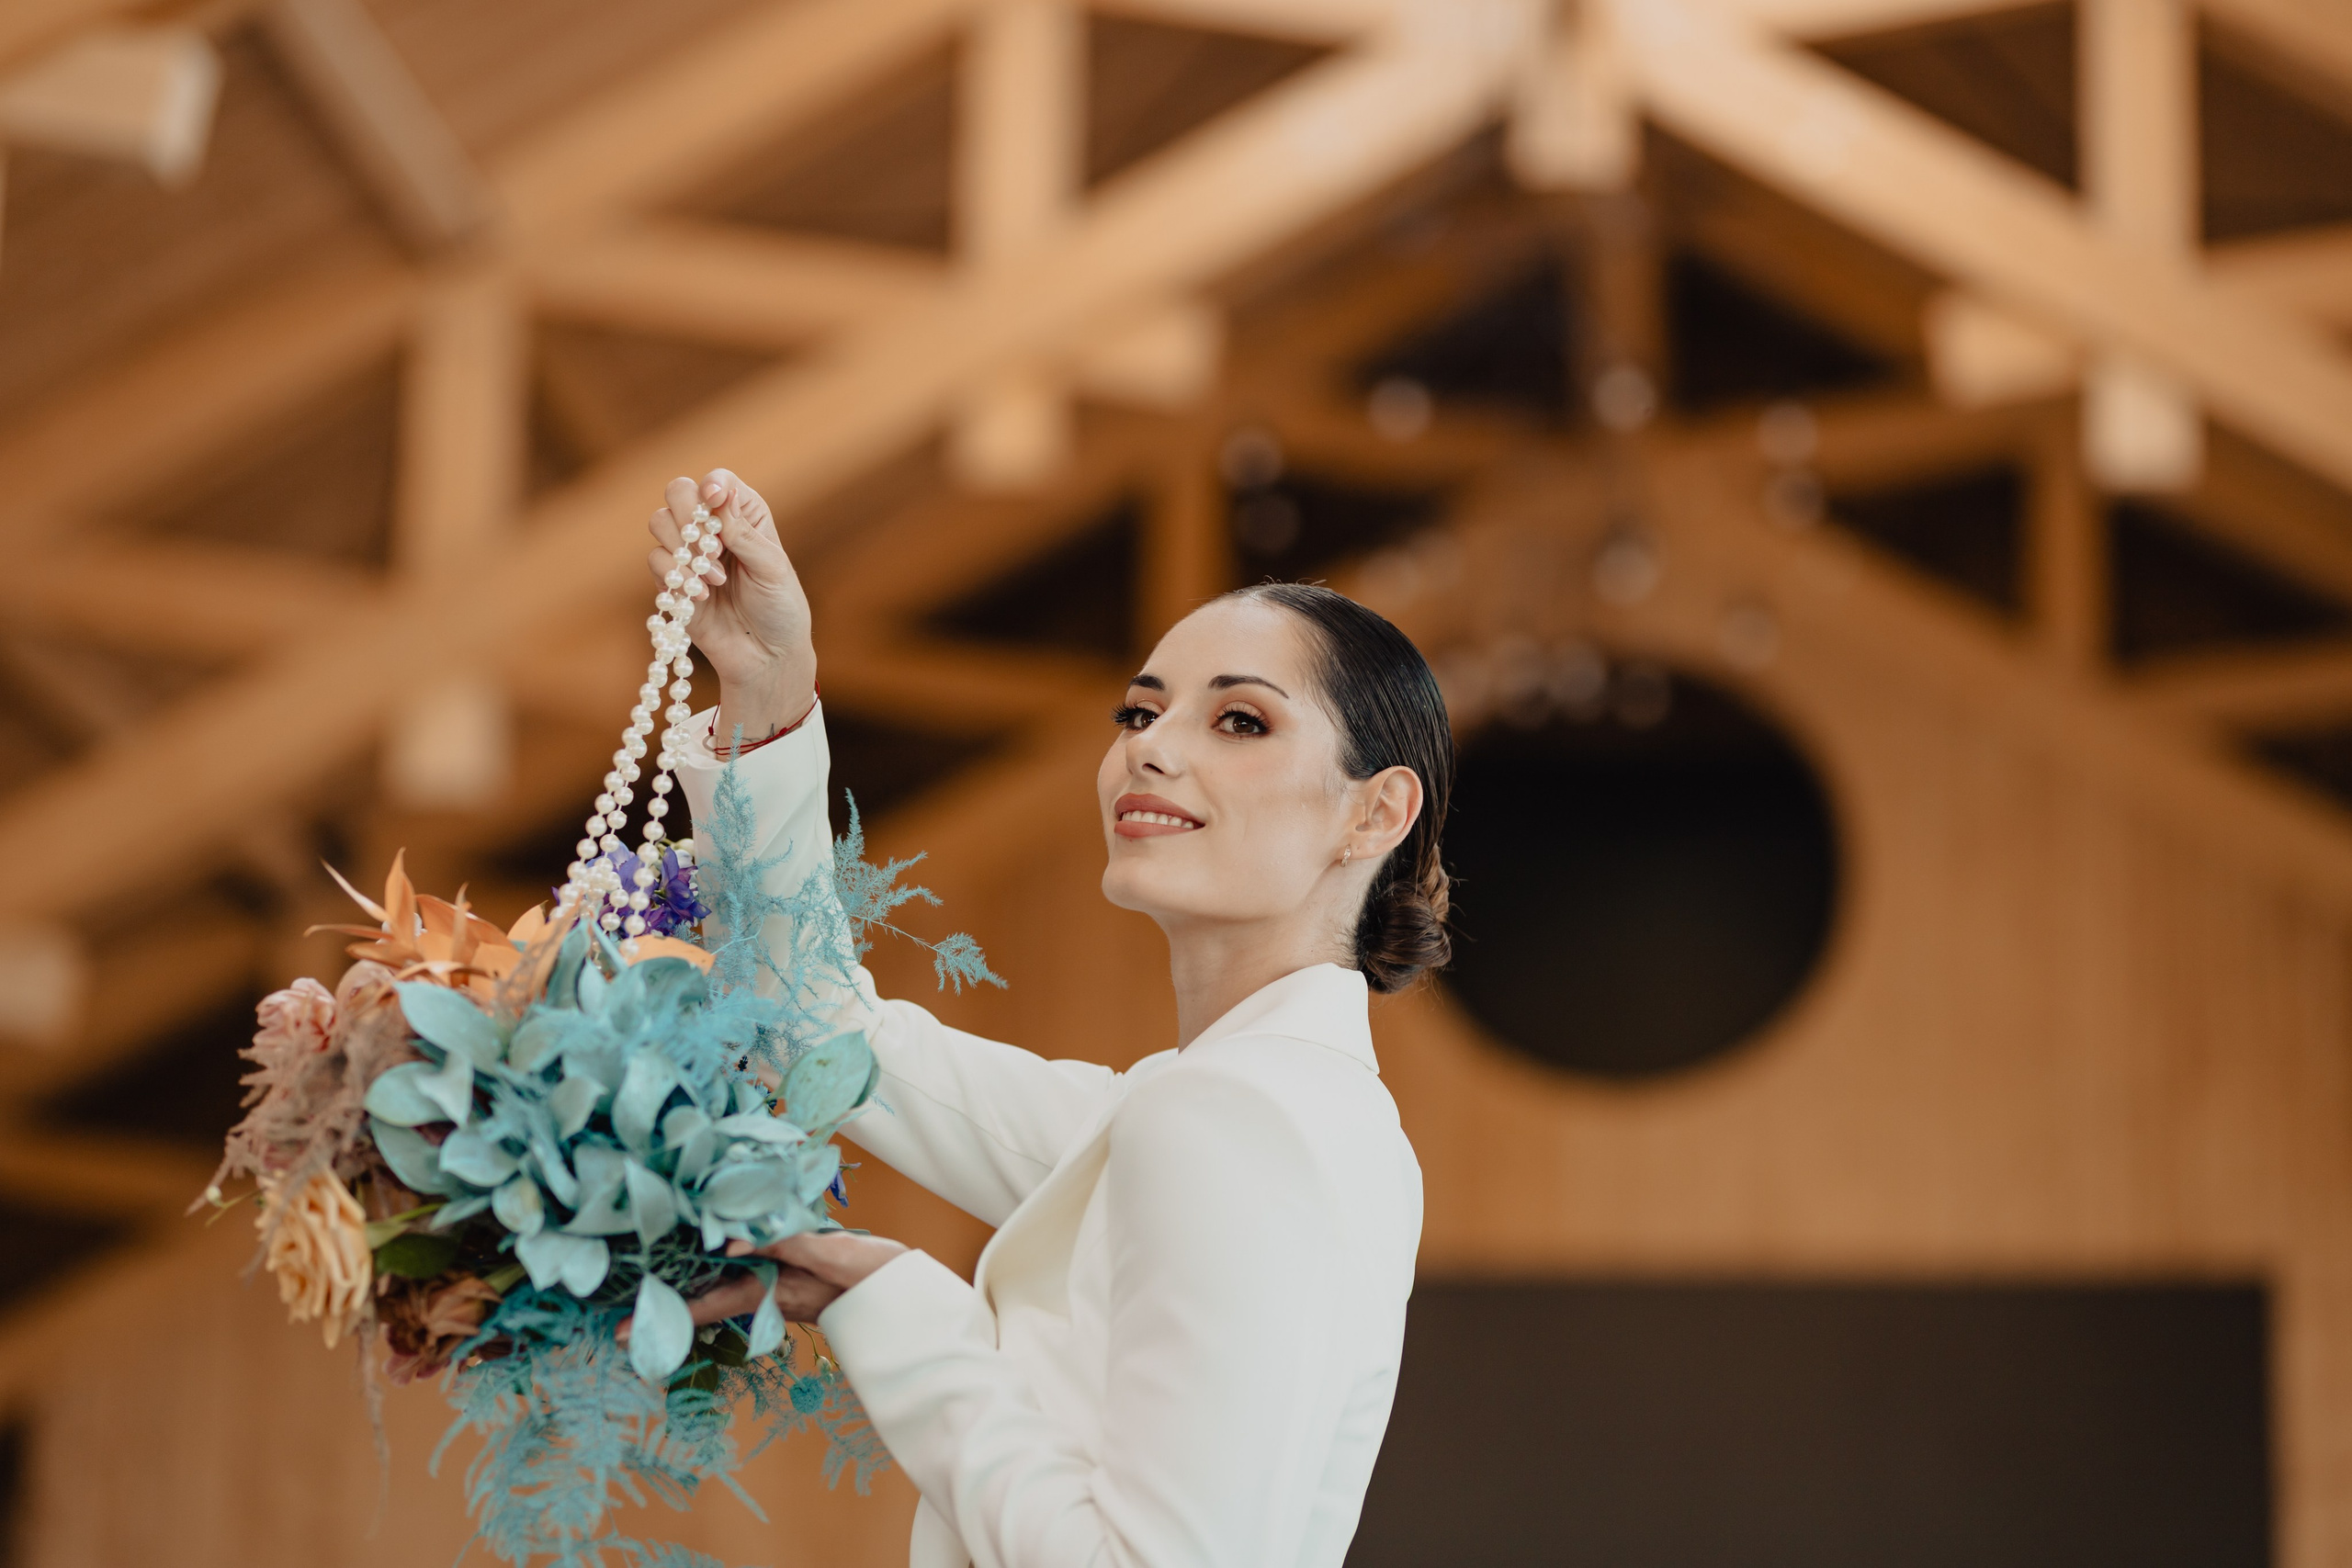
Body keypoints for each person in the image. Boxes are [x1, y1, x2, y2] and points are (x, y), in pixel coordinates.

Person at [652, 469, 1442, 1568]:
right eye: (1140, 710)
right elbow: (820, 1030)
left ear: (1375, 812)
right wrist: (766, 689)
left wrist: (898, 1303)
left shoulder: (1243, 1121)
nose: (1151, 746)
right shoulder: (1212, 1108)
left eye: (1240, 719)